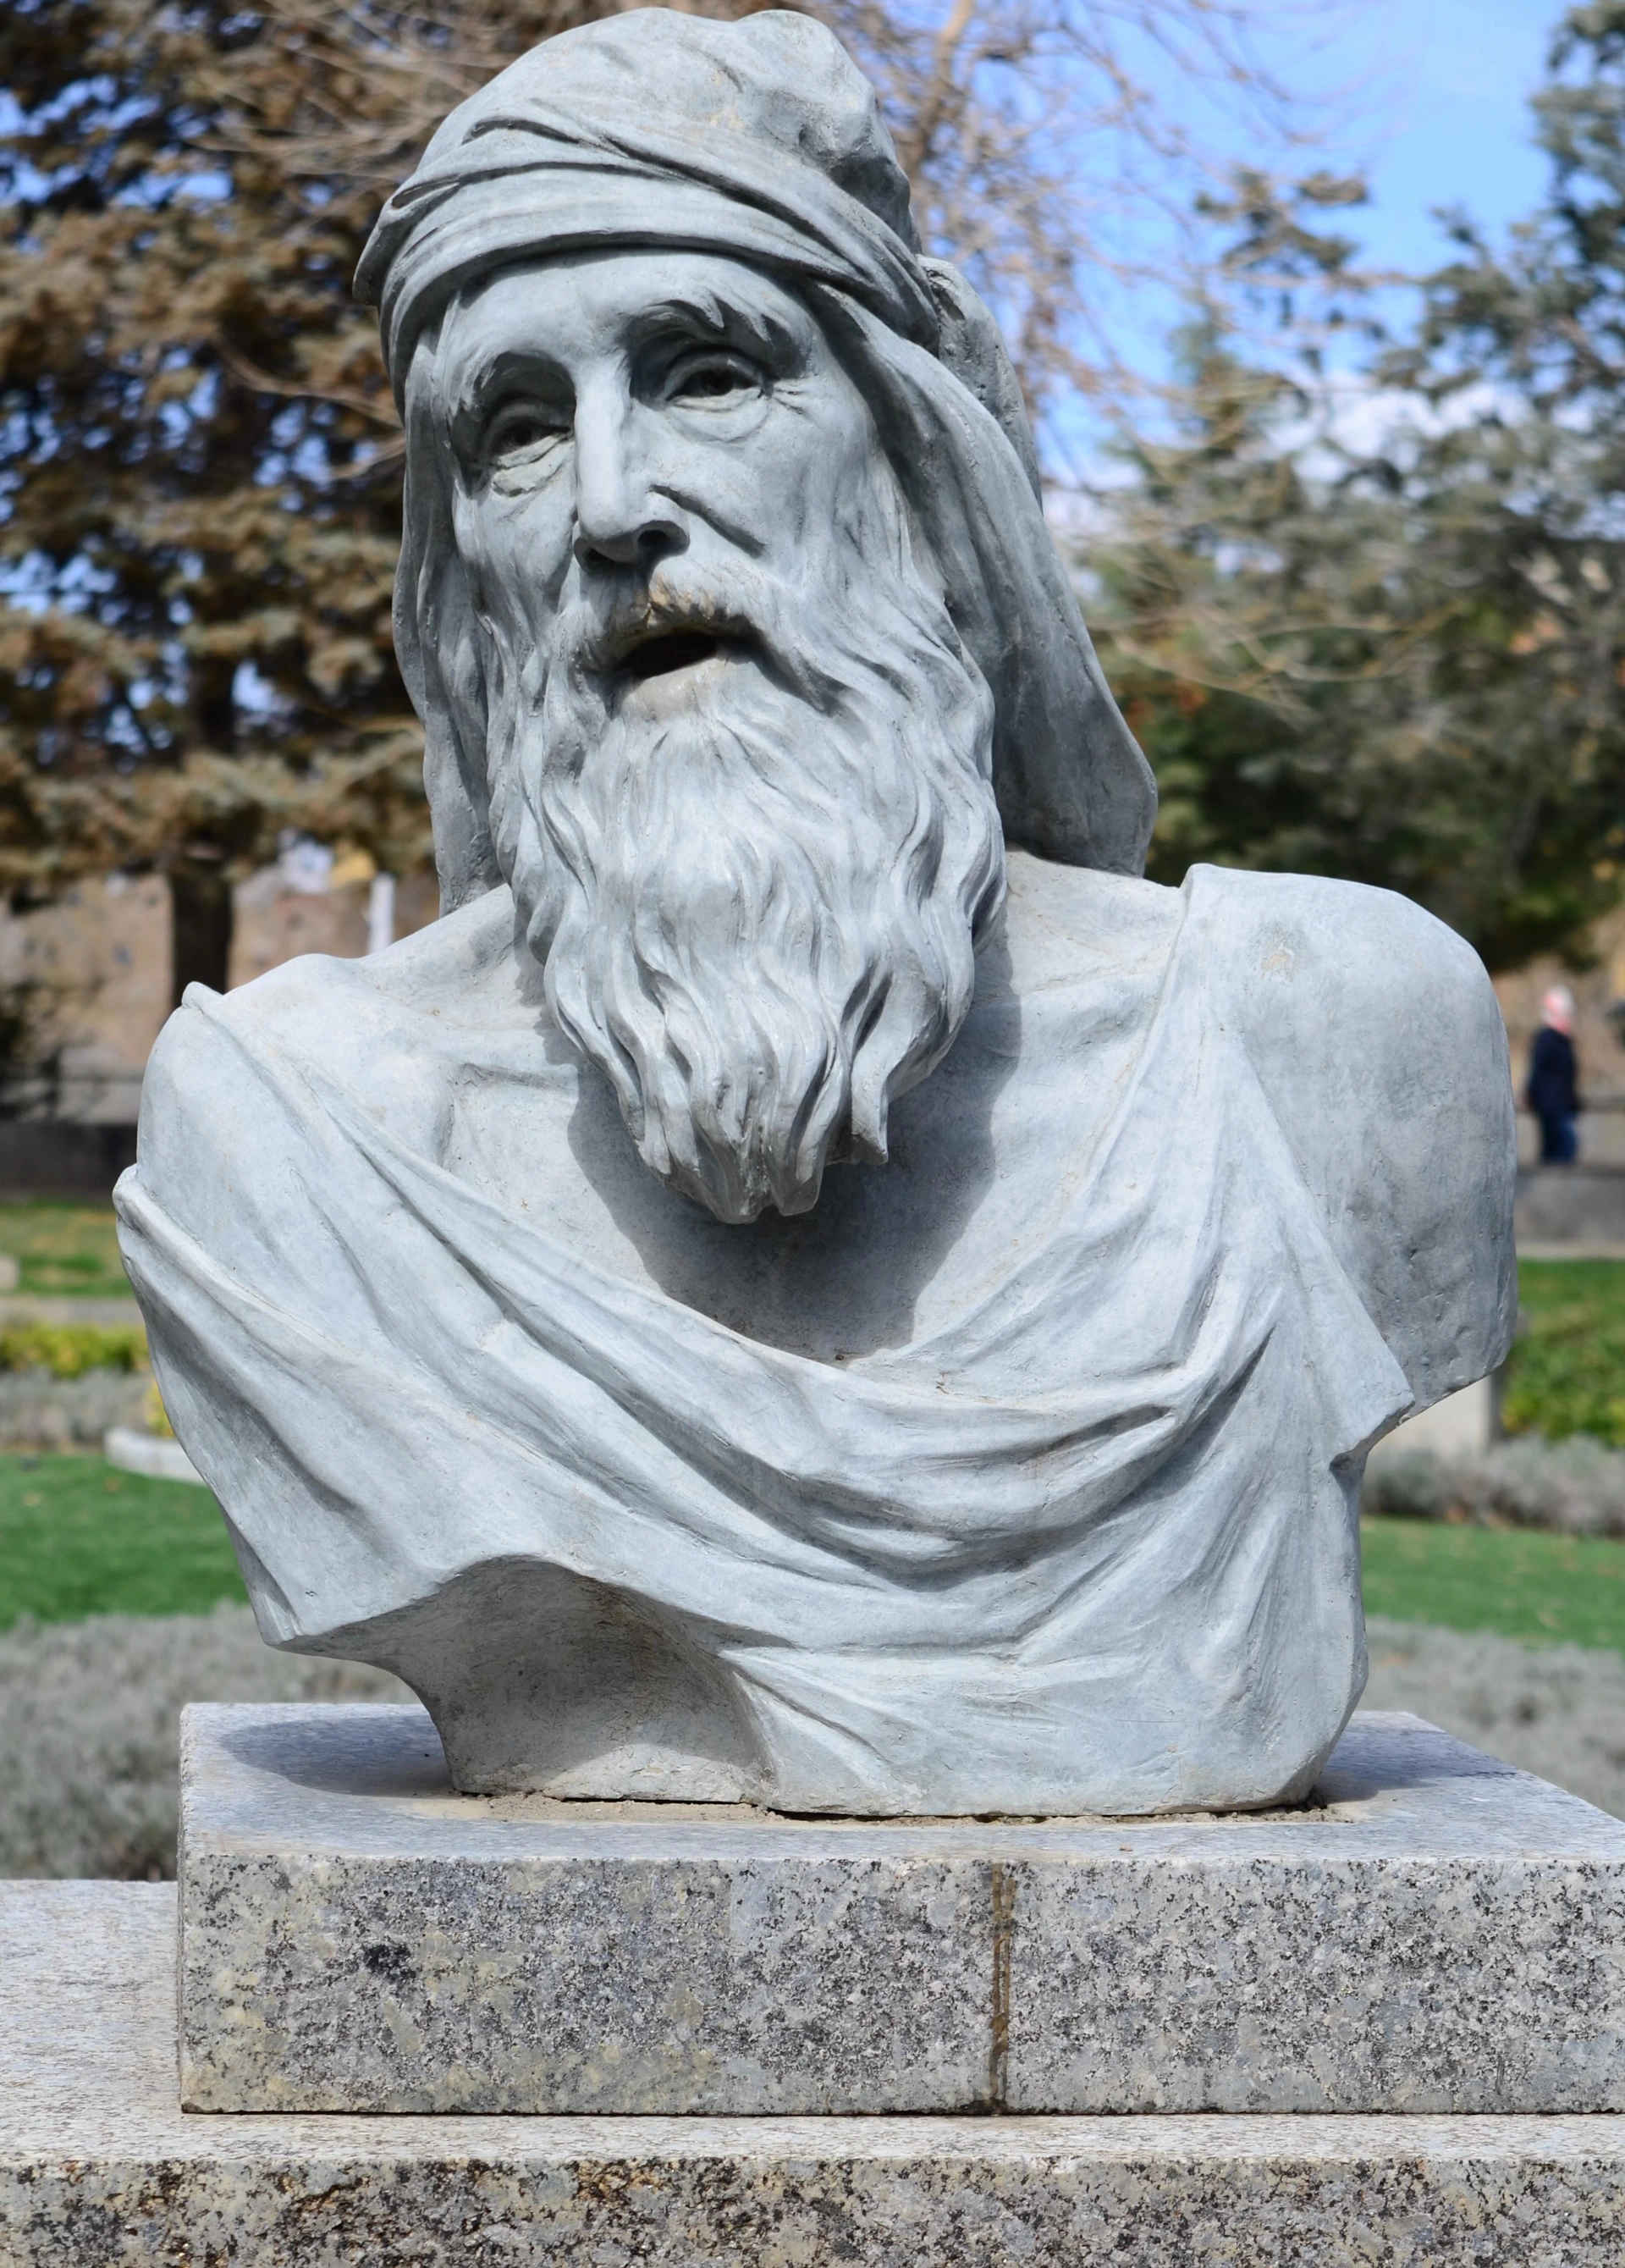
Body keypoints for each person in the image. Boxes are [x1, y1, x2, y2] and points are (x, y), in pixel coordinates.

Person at [111, 10, 1516, 1818]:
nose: (615, 506)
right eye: (518, 433)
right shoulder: (289, 1138)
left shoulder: (1326, 1028)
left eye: (709, 375)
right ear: (461, 556)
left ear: (920, 459)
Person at [1526, 986, 1581, 1163]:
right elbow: (1538, 1069)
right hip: (1552, 1105)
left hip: (1560, 1104)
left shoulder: (1560, 1040)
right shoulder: (1548, 1038)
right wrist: (1532, 1094)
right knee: (1565, 1145)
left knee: (1555, 1150)